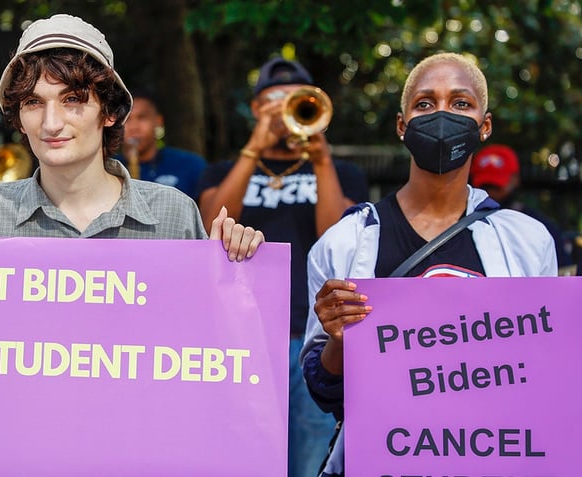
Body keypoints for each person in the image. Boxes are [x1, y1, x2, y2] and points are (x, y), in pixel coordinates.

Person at [300, 52, 557, 477]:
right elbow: (325, 392)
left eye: (460, 103)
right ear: (402, 127)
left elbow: (543, 372)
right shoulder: (345, 242)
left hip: (491, 461)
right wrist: (340, 341)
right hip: (379, 462)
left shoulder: (527, 240)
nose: (442, 114)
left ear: (484, 125)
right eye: (424, 103)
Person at [0, 14, 263, 267]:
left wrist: (237, 265)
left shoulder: (172, 215)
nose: (51, 122)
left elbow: (204, 346)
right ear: (19, 117)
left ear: (109, 110)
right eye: (34, 103)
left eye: (73, 99)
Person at [197, 57, 369, 477]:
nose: (284, 111)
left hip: (310, 338)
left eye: (295, 101)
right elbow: (209, 225)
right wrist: (255, 147)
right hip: (241, 338)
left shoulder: (342, 171)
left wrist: (321, 158)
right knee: (242, 460)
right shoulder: (222, 169)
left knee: (313, 461)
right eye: (274, 101)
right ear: (257, 109)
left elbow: (339, 236)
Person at [470, 143, 572, 268]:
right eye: (484, 186)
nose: (490, 193)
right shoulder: (458, 223)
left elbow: (562, 277)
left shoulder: (539, 228)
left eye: (496, 186)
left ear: (515, 180)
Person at [115, 89, 207, 198]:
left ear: (158, 121)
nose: (134, 127)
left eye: (142, 118)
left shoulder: (190, 165)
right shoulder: (109, 169)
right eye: (127, 119)